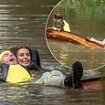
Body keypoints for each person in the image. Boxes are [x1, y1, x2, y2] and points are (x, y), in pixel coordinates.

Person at [13, 46, 83, 89]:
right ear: (16, 58)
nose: (25, 57)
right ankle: (68, 81)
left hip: (44, 81)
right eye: (21, 55)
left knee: (55, 72)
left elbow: (45, 71)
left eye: (27, 55)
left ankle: (71, 79)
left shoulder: (34, 67)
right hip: (32, 84)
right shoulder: (14, 70)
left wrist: (38, 68)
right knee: (46, 75)